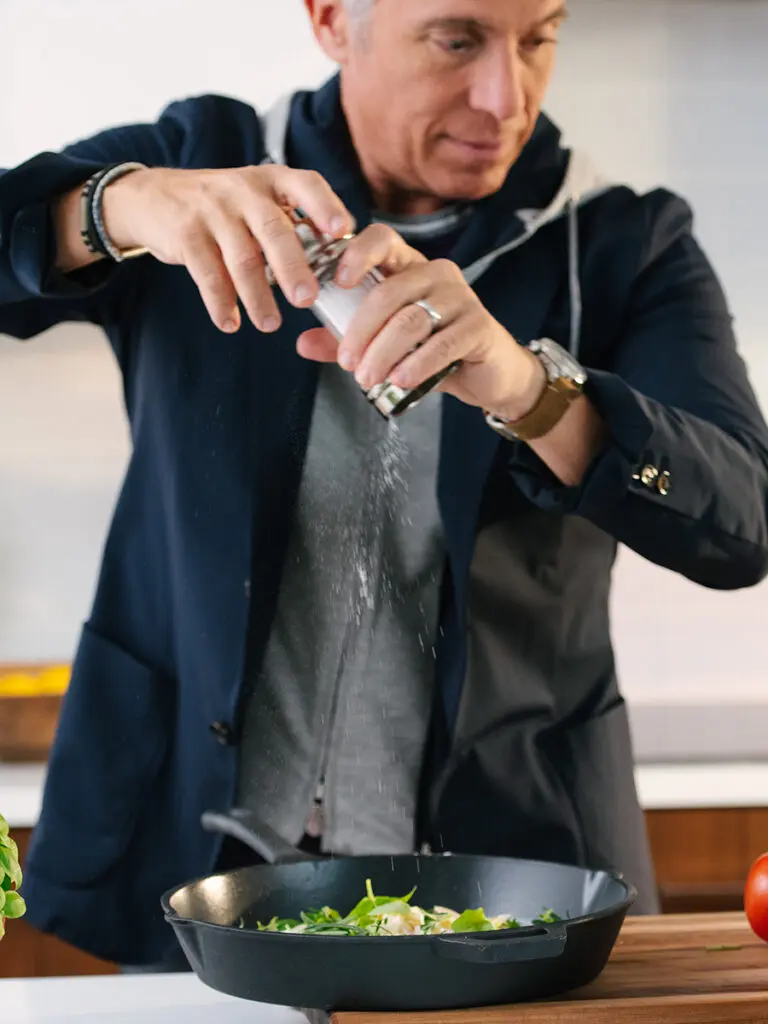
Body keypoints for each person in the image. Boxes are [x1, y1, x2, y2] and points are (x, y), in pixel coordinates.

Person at [2, 0, 767, 970]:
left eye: (538, 39)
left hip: (509, 885)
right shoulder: (204, 156)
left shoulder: (624, 241)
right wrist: (111, 207)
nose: (506, 97)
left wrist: (532, 390)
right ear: (330, 19)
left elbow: (743, 521)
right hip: (190, 873)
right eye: (457, 40)